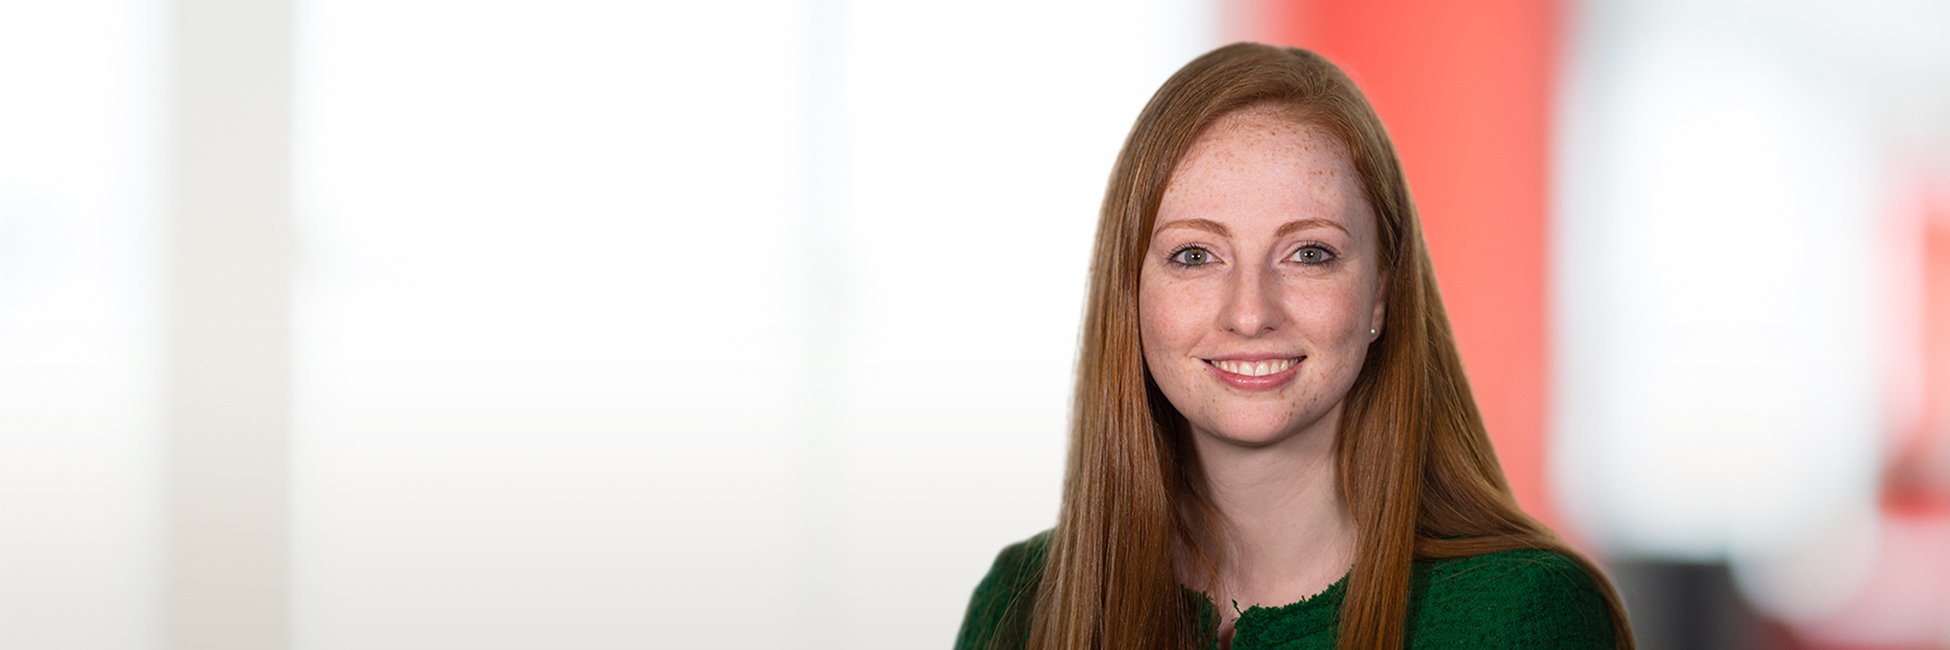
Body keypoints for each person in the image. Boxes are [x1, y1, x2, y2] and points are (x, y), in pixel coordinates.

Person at [953, 43, 1634, 650]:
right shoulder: (1021, 605)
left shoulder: (1527, 614)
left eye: (1309, 253)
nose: (1250, 314)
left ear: (1381, 291)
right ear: (1129, 291)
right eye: (1195, 255)